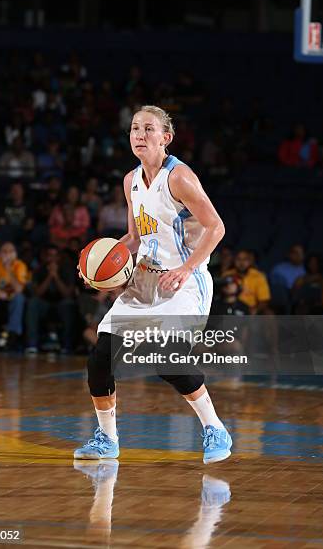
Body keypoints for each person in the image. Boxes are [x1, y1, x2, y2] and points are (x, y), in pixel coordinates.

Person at [74, 105, 232, 464]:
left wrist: (187, 269)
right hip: (144, 280)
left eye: (148, 129)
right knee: (100, 360)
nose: (140, 134)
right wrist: (99, 267)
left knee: (166, 359)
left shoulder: (180, 178)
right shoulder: (130, 181)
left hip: (184, 280)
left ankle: (215, 428)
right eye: (134, 129)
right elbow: (134, 237)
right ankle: (107, 439)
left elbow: (216, 227)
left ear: (166, 138)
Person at [25, 245, 76, 354]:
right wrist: (49, 276)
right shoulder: (38, 270)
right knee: (33, 303)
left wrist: (56, 276)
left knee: (68, 304)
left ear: (59, 257)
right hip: (44, 303)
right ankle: (32, 344)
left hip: (61, 303)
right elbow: (37, 293)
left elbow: (67, 294)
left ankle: (67, 345)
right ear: (45, 257)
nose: (52, 259)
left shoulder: (66, 269)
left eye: (55, 256)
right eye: (49, 255)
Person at [226, 250, 271, 314]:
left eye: (245, 259)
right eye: (238, 259)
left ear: (250, 261)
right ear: (234, 260)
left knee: (269, 314)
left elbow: (264, 300)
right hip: (231, 307)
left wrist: (256, 309)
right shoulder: (227, 275)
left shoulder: (259, 276)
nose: (241, 262)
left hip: (252, 309)